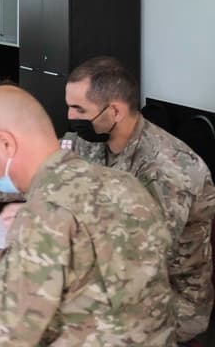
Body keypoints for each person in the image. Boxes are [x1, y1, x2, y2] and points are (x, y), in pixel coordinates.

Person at [0, 85, 175, 346]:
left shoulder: (44, 213)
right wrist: (17, 263)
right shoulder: (125, 183)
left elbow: (1, 338)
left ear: (6, 144)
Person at [65, 57, 215, 343]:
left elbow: (140, 258)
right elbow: (49, 170)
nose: (70, 116)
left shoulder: (168, 169)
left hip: (166, 300)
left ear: (115, 111)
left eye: (79, 109)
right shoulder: (92, 140)